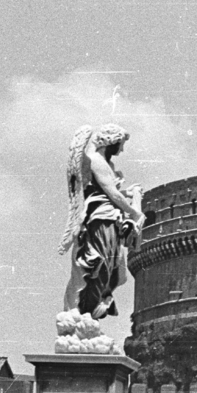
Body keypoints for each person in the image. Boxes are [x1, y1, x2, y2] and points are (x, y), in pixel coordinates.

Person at [59, 124, 145, 320]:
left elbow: (107, 191)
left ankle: (93, 306)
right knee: (100, 265)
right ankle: (86, 309)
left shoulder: (108, 165)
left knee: (117, 270)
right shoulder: (95, 161)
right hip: (100, 220)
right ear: (111, 142)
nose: (122, 150)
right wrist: (134, 212)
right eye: (120, 145)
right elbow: (112, 194)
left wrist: (128, 193)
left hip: (111, 220)